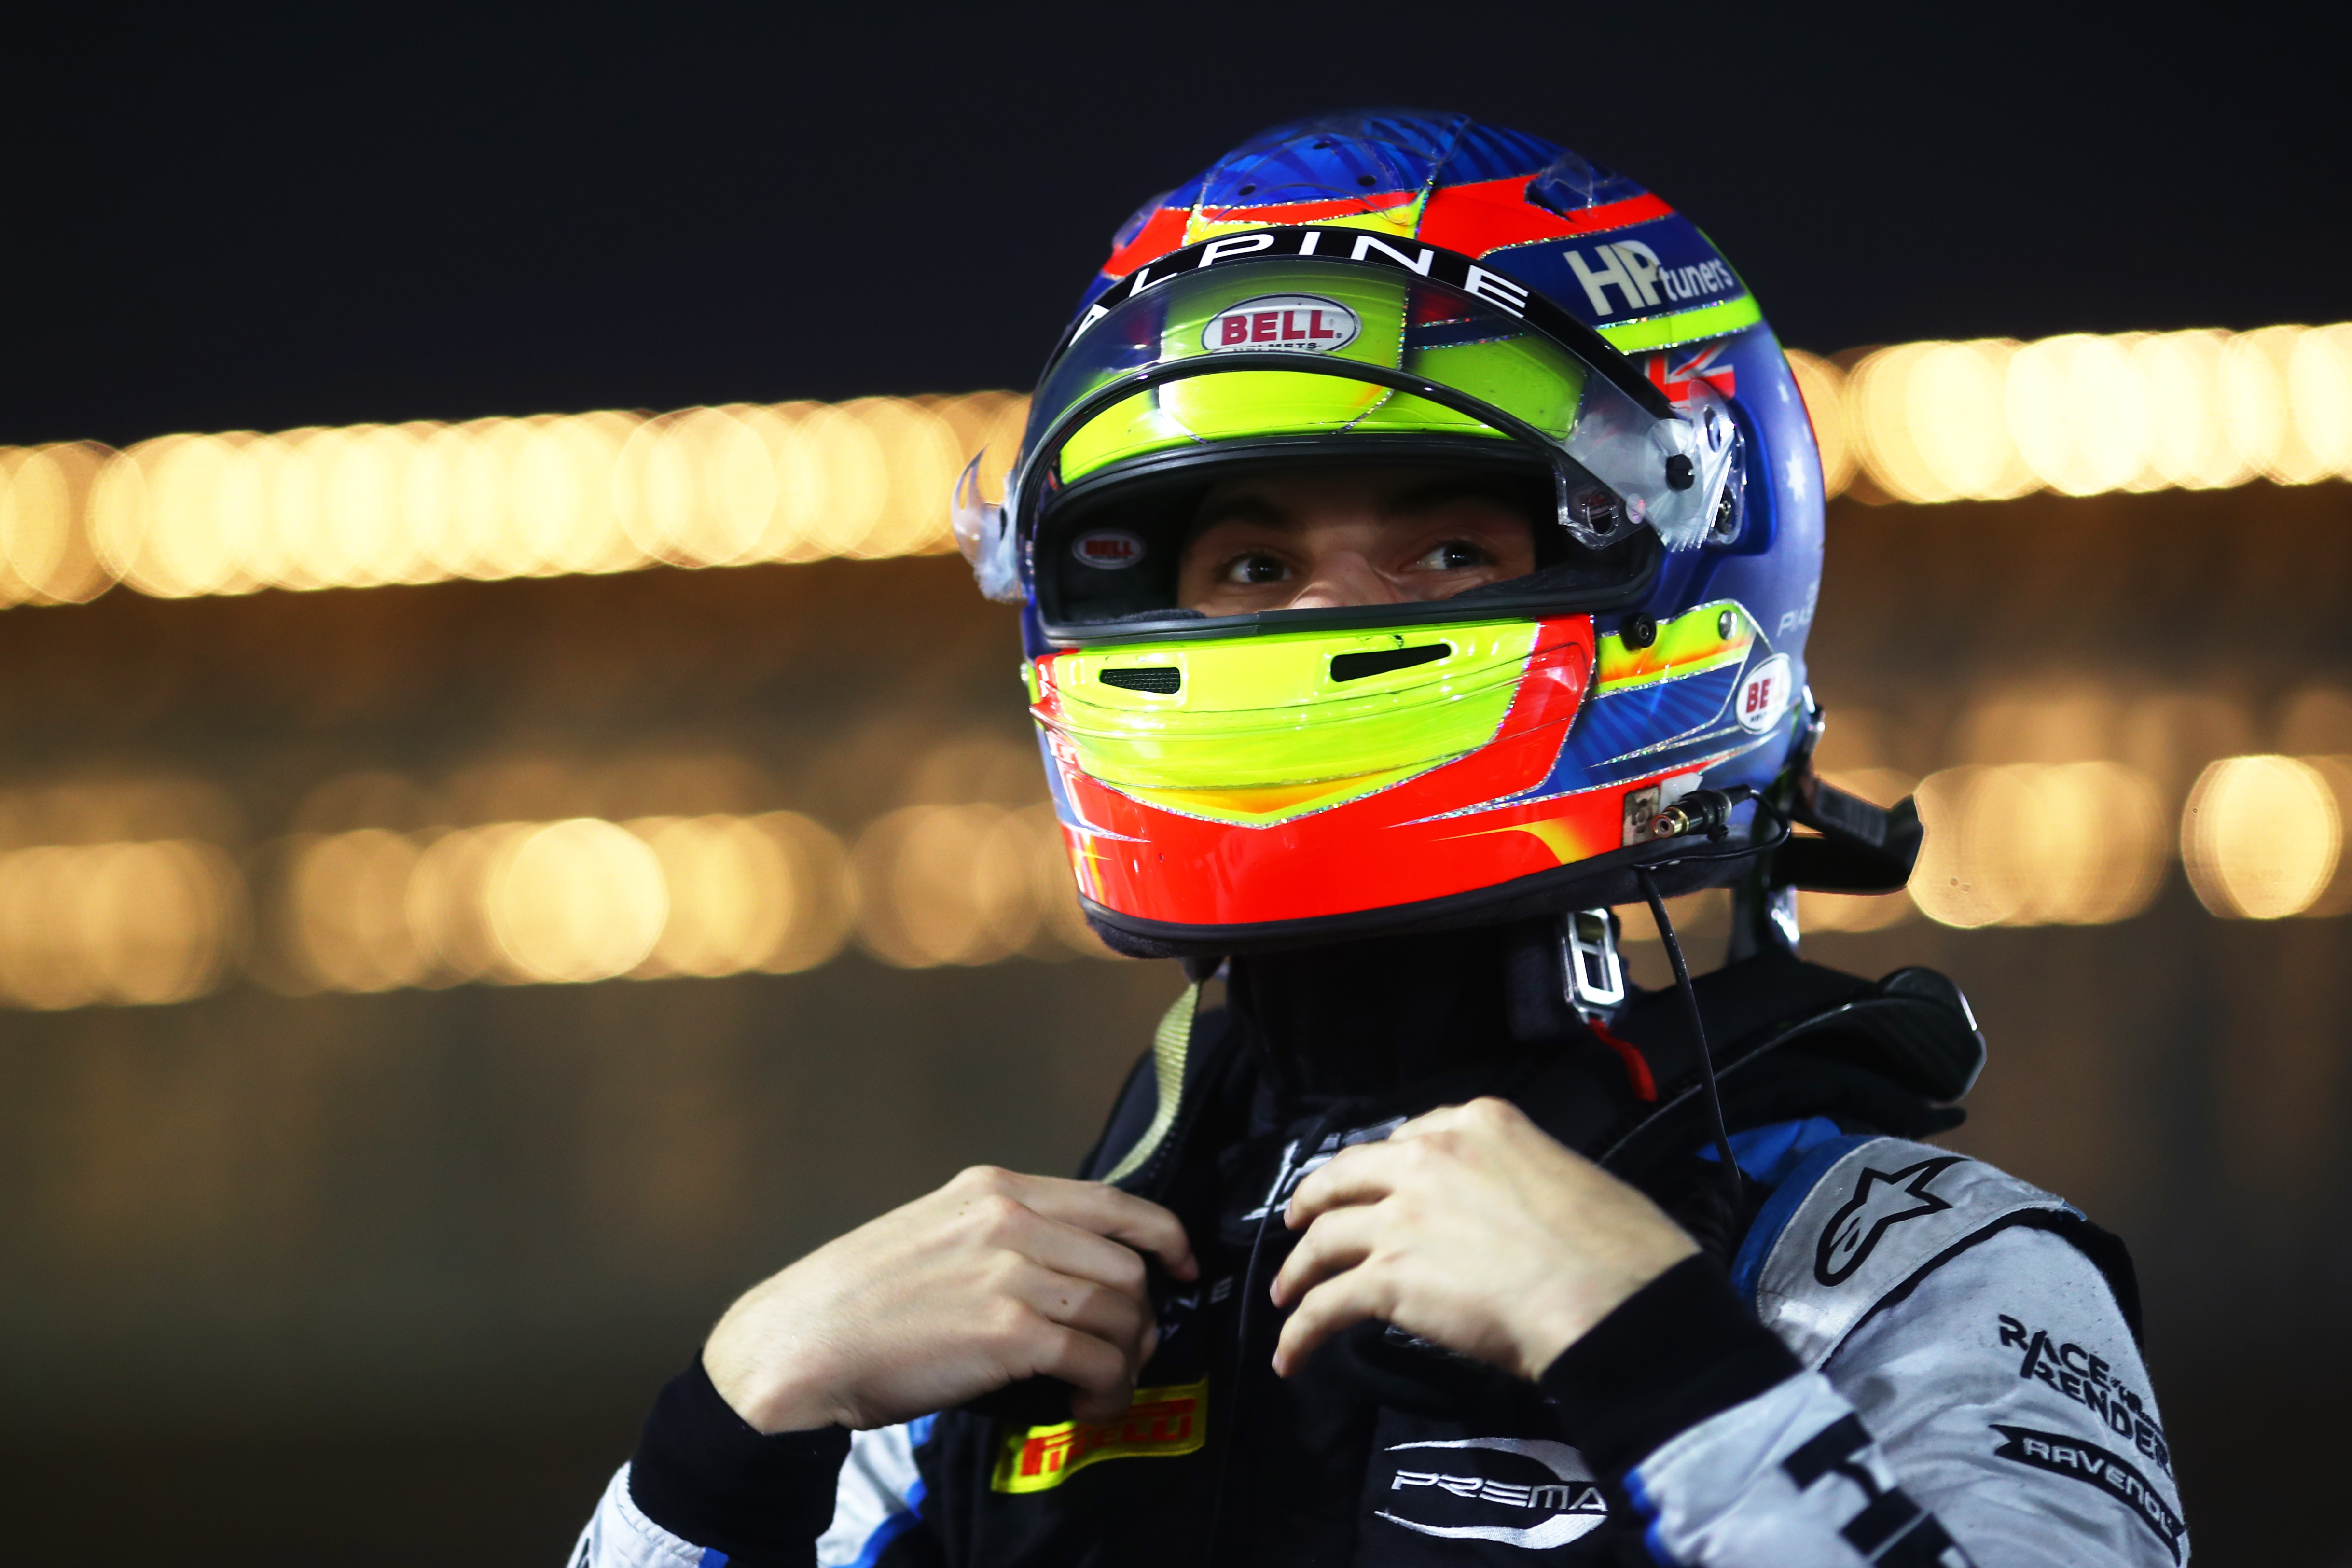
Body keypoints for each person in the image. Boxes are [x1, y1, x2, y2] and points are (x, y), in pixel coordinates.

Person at [571, 111, 2185, 1567]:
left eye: (1444, 549)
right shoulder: (995, 1325)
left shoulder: (1888, 1260)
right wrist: (718, 1450)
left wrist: (1648, 1349)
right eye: (1253, 569)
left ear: (1684, 553)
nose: (1323, 619)